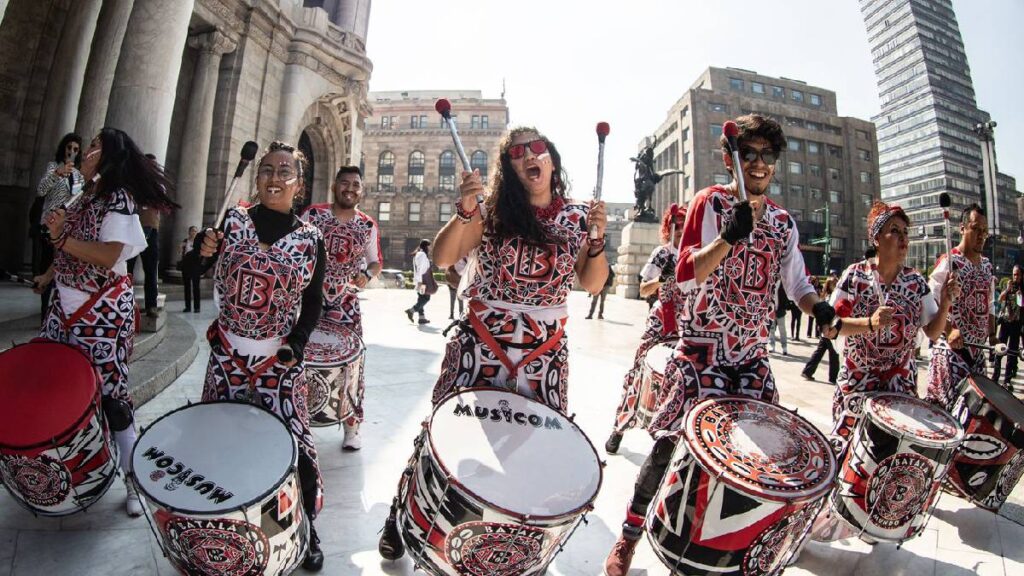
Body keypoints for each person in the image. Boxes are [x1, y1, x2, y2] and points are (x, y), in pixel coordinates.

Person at [603, 114, 835, 576]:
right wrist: (730, 236)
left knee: (765, 460)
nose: (759, 163)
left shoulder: (785, 224)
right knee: (669, 443)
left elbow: (798, 287)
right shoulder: (709, 203)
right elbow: (686, 273)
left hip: (752, 359)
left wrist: (821, 310)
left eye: (768, 155)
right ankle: (629, 534)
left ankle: (730, 551)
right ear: (732, 158)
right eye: (749, 153)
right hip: (701, 352)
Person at [379, 126, 608, 561]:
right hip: (480, 346)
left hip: (545, 356)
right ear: (510, 167)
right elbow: (445, 258)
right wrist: (465, 210)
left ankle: (505, 536)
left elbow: (593, 284)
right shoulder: (492, 212)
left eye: (538, 147)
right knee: (444, 436)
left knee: (532, 446)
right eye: (517, 153)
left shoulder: (579, 217)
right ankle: (399, 514)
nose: (529, 156)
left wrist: (596, 241)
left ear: (552, 159)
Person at [32, 127, 178, 517]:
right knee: (53, 381)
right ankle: (71, 469)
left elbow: (108, 254)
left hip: (100, 312)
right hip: (63, 307)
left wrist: (61, 240)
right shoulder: (84, 195)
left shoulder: (118, 199)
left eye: (95, 145)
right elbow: (68, 249)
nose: (88, 150)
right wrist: (48, 275)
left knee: (112, 398)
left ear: (109, 156)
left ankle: (133, 479)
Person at [198, 141, 327, 571]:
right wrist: (201, 251)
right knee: (219, 444)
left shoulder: (311, 240)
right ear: (257, 178)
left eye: (285, 171)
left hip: (280, 363)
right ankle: (220, 523)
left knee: (296, 450)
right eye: (267, 169)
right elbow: (193, 269)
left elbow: (312, 302)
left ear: (299, 184)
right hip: (229, 359)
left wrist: (298, 343)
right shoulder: (231, 222)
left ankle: (305, 529)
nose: (274, 177)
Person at [826, 201, 956, 450]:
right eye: (895, 231)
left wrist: (946, 303)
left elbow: (932, 331)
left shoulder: (915, 282)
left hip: (900, 388)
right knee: (848, 457)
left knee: (891, 464)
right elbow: (832, 327)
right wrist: (869, 323)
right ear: (876, 238)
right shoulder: (855, 276)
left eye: (905, 232)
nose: (903, 238)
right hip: (857, 385)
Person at [300, 165, 381, 451]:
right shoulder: (313, 215)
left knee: (352, 366)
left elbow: (375, 262)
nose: (350, 188)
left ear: (362, 190)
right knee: (300, 360)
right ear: (335, 186)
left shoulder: (368, 225)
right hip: (308, 301)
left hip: (346, 306)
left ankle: (351, 426)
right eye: (344, 183)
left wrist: (367, 275)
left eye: (355, 184)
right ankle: (296, 419)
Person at [605, 204, 686, 454]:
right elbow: (643, 290)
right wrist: (661, 279)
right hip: (661, 321)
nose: (681, 232)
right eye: (678, 227)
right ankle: (619, 428)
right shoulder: (662, 254)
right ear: (669, 229)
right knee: (639, 372)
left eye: (685, 227)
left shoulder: (696, 256)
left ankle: (669, 437)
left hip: (686, 326)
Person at [925, 204, 995, 408]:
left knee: (976, 418)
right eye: (976, 229)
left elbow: (989, 304)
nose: (981, 235)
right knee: (946, 417)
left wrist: (992, 335)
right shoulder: (949, 262)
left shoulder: (987, 266)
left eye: (985, 231)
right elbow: (929, 304)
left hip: (977, 355)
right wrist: (949, 329)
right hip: (950, 353)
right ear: (962, 228)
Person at [33, 133, 84, 316]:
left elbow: (78, 201)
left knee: (60, 267)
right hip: (49, 224)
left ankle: (57, 311)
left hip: (66, 228)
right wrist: (56, 174)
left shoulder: (79, 176)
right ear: (64, 148)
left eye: (75, 149)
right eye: (69, 147)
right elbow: (41, 190)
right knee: (46, 265)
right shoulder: (53, 167)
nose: (71, 151)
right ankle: (43, 311)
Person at [127, 153, 163, 318]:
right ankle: (125, 301)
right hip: (134, 229)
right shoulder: (135, 184)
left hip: (152, 230)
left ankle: (151, 306)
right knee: (128, 268)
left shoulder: (159, 186)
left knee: (151, 270)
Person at [802, 273, 841, 384]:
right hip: (829, 327)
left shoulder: (827, 296)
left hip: (827, 328)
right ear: (829, 285)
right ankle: (833, 377)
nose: (836, 284)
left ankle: (808, 371)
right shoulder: (830, 297)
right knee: (834, 354)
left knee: (820, 351)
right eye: (834, 283)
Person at [993, 265, 1023, 385]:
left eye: (1018, 274)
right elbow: (1000, 299)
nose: (1016, 277)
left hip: (1016, 324)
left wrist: (1020, 295)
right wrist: (1007, 289)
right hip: (1005, 323)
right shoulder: (1009, 286)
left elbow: (1021, 305)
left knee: (1012, 352)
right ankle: (995, 377)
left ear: (1022, 275)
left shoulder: (1022, 289)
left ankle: (1007, 380)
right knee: (999, 349)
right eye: (1014, 274)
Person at [404, 239, 433, 324]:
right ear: (426, 246)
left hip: (421, 280)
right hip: (423, 281)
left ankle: (421, 318)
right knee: (426, 298)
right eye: (429, 246)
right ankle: (411, 311)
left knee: (421, 298)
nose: (430, 248)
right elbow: (420, 269)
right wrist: (421, 281)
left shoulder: (419, 254)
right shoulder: (422, 255)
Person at [179, 226, 201, 313]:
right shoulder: (185, 242)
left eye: (195, 231)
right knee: (187, 287)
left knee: (196, 287)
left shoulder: (199, 243)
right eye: (192, 231)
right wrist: (180, 247)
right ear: (189, 232)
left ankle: (197, 307)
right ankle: (187, 307)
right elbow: (180, 253)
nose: (194, 233)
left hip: (196, 266)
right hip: (186, 266)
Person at [769, 284, 789, 354]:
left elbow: (786, 296)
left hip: (780, 310)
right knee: (771, 329)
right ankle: (772, 346)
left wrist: (784, 307)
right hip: (771, 310)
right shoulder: (771, 283)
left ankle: (784, 347)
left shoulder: (783, 284)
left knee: (782, 329)